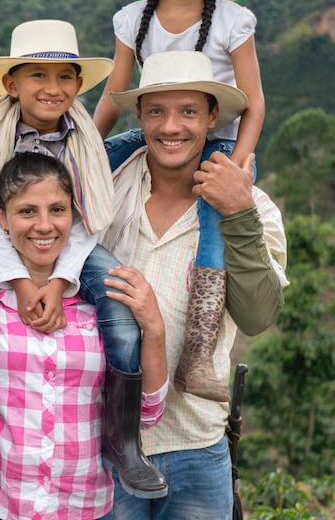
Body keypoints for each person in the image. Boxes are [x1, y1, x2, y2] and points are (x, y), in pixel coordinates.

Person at [0, 19, 166, 497]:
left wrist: (61, 282)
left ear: (79, 85)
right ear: (11, 83)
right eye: (37, 76)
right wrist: (21, 281)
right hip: (6, 238)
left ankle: (124, 441)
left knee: (119, 300)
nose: (52, 88)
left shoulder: (83, 141)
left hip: (73, 241)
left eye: (65, 77)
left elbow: (89, 219)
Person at [92, 0, 274, 402]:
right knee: (77, 174)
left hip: (218, 138)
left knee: (216, 220)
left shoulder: (233, 21)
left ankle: (197, 349)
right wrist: (82, 147)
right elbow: (113, 92)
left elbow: (254, 104)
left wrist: (236, 168)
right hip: (156, 128)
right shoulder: (132, 18)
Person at [0, 152, 170, 520]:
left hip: (80, 508)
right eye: (27, 211)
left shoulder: (104, 302)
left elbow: (147, 414)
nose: (44, 225)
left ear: (76, 217)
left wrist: (155, 329)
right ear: (1, 218)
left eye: (57, 209)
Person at [102, 50, 288, 520]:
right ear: (140, 116)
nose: (171, 127)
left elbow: (258, 316)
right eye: (157, 111)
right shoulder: (107, 189)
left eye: (188, 111)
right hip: (104, 442)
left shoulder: (254, 207)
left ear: (211, 118)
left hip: (196, 445)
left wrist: (239, 215)